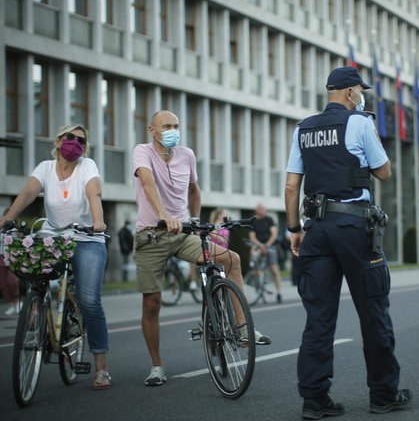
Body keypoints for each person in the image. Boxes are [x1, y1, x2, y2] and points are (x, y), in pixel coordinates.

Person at [285, 66, 412, 419]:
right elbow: (384, 170)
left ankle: (314, 399)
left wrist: (295, 228)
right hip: (353, 226)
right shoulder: (359, 122)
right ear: (350, 91)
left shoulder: (303, 128)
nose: (363, 95)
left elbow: (292, 185)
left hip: (316, 229)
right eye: (361, 90)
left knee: (319, 318)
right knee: (373, 312)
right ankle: (383, 394)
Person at [132, 110, 271, 387]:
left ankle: (243, 329)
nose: (173, 130)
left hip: (184, 233)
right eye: (166, 126)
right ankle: (157, 365)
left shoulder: (187, 154)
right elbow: (147, 183)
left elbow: (194, 189)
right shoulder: (142, 151)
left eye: (176, 125)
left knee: (230, 259)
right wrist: (164, 215)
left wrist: (194, 219)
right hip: (152, 235)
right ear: (152, 130)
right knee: (152, 302)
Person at [0, 124, 111, 389]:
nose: (75, 143)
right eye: (70, 137)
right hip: (54, 238)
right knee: (35, 278)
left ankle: (101, 369)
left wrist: (98, 220)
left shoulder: (88, 166)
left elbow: (93, 192)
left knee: (88, 299)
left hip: (86, 238)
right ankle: (40, 312)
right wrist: (8, 217)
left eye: (81, 140)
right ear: (59, 140)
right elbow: (28, 192)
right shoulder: (45, 168)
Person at [249, 203, 283, 303]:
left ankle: (279, 292)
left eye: (263, 209)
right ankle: (260, 285)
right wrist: (260, 246)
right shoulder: (253, 221)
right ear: (257, 210)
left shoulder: (269, 220)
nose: (263, 211)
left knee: (274, 269)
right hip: (258, 246)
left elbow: (274, 234)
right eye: (261, 209)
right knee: (256, 265)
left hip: (270, 246)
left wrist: (267, 245)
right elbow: (252, 237)